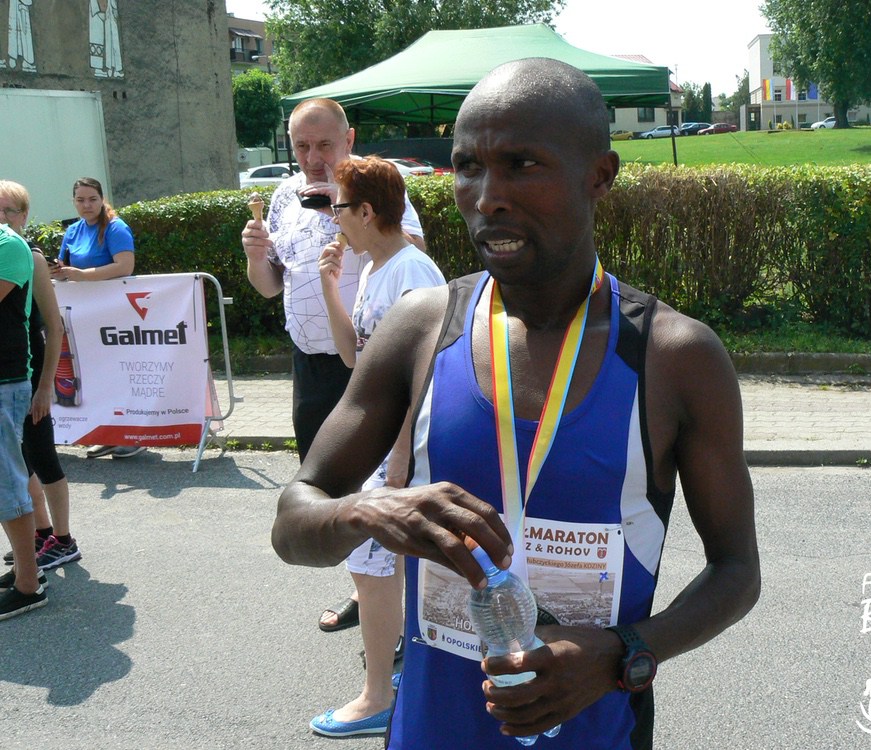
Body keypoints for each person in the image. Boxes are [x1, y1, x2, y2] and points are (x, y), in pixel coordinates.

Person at [272, 58, 760, 749]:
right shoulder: (421, 328)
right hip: (431, 732)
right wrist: (368, 510)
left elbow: (736, 571)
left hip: (595, 734)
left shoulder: (676, 356)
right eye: (467, 167)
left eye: (522, 164)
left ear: (600, 175)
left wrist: (622, 653)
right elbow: (294, 520)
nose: (488, 197)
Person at [240, 97, 425, 633]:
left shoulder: (370, 186)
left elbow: (411, 250)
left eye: (324, 144)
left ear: (348, 139)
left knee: (383, 486)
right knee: (330, 486)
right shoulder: (283, 194)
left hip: (369, 365)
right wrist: (255, 256)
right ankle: (364, 590)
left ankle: (394, 605)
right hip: (312, 363)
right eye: (302, 146)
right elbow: (269, 285)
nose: (313, 157)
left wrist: (339, 212)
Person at [298, 156, 445, 737]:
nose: (332, 219)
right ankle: (401, 684)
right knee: (381, 566)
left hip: (402, 444)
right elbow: (353, 356)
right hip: (382, 444)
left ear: (365, 211)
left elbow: (424, 375)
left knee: (372, 565)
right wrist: (329, 287)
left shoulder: (415, 272)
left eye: (338, 207)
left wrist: (401, 455)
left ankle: (378, 695)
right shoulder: (374, 269)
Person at [0, 181, 80, 574]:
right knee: (20, 461)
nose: (1, 217)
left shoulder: (28, 255)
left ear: (24, 215)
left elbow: (54, 325)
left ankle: (64, 540)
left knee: (42, 455)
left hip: (29, 371)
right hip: (13, 373)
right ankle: (41, 532)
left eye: (8, 211)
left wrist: (46, 385)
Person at [53, 176, 142, 459]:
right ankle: (108, 435)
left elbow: (125, 266)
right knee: (95, 377)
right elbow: (65, 268)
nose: (87, 205)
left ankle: (133, 435)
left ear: (102, 199)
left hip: (115, 313)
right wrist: (57, 271)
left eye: (92, 199)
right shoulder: (73, 230)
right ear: (73, 202)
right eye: (80, 200)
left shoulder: (116, 227)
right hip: (83, 316)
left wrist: (83, 275)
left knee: (119, 374)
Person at [0, 220, 46, 620]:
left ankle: (28, 586)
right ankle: (24, 570)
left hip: (5, 380)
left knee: (8, 484)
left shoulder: (9, 245)